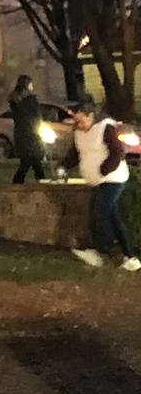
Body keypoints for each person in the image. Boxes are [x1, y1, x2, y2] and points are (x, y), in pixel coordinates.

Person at [68, 99, 139, 271]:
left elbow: (117, 152)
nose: (78, 124)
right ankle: (130, 258)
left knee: (99, 212)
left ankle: (101, 252)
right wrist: (64, 166)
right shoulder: (78, 132)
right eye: (75, 121)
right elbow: (75, 153)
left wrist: (104, 170)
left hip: (112, 179)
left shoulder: (106, 128)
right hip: (98, 181)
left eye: (81, 120)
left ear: (90, 116)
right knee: (113, 218)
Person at [5, 74, 48, 185]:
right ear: (26, 85)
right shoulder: (29, 101)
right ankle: (39, 182)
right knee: (31, 160)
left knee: (31, 161)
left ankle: (39, 181)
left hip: (23, 135)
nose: (32, 86)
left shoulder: (15, 101)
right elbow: (35, 117)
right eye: (31, 84)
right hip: (30, 135)